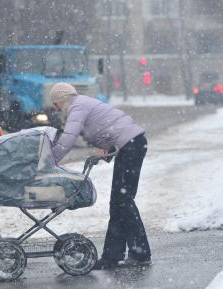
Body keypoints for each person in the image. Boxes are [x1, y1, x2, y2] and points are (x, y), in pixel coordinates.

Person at [49, 82, 151, 269]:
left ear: (62, 98)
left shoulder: (76, 106)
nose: (56, 108)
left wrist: (50, 160)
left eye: (55, 103)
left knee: (123, 200)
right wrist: (108, 148)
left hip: (131, 145)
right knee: (119, 201)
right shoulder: (81, 103)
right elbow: (110, 126)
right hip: (131, 144)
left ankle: (139, 253)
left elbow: (68, 138)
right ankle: (113, 256)